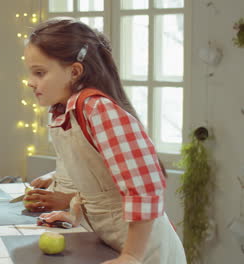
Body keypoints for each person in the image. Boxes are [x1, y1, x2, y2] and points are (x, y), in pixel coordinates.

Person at [23, 17, 186, 264]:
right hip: (111, 243)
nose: (30, 81)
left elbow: (145, 186)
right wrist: (76, 213)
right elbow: (98, 186)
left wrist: (132, 255)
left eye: (40, 72)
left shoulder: (98, 110)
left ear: (74, 72)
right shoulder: (67, 113)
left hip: (146, 251)